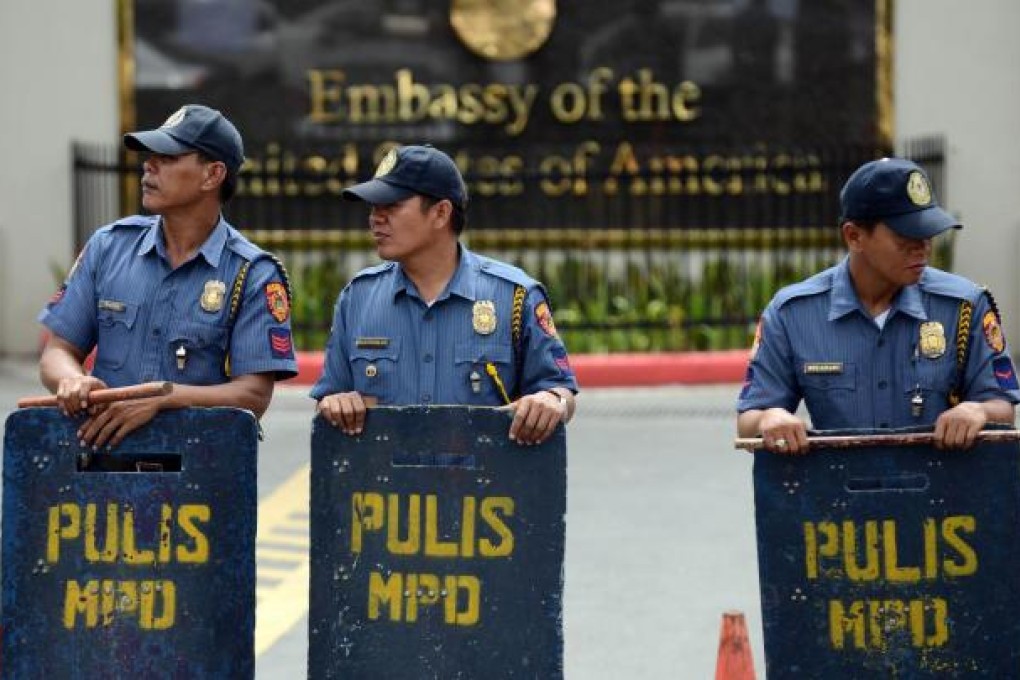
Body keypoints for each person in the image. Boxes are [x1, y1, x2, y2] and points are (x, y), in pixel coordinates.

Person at [38, 104, 298, 448]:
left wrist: (164, 398)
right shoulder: (108, 247)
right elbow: (57, 351)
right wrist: (72, 380)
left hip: (197, 472)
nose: (149, 164)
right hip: (102, 464)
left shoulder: (252, 273)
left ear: (212, 174)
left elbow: (253, 395)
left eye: (169, 156)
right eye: (151, 155)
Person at [737, 157, 1019, 454]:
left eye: (928, 233)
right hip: (838, 494)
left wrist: (979, 412)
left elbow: (1002, 406)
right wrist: (769, 418)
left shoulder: (964, 306)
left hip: (940, 494)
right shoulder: (793, 313)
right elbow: (749, 419)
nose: (922, 247)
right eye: (906, 235)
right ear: (854, 236)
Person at [311, 144, 577, 445]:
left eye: (392, 205)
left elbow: (559, 390)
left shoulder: (515, 297)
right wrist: (336, 404)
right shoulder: (358, 298)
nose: (376, 218)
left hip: (484, 487)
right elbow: (329, 397)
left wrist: (550, 400)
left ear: (440, 213)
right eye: (373, 207)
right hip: (388, 489)